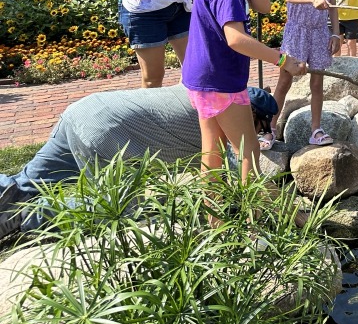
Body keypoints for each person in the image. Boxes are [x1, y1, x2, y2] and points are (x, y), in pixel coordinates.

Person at [0, 85, 279, 242]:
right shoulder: (224, 113)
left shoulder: (206, 89)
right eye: (259, 126)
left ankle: (9, 198)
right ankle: (26, 217)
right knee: (117, 210)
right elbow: (246, 180)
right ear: (250, 112)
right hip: (108, 136)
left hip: (83, 111)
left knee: (27, 184)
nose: (256, 133)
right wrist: (295, 214)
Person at [182, 0, 307, 185]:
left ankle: (213, 220)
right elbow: (236, 39)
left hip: (202, 76)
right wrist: (283, 60)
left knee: (212, 155)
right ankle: (257, 222)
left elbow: (265, 7)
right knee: (248, 153)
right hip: (222, 79)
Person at [269, 0, 341, 149]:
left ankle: (316, 129)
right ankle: (270, 128)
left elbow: (333, 8)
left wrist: (336, 33)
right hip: (297, 32)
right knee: (284, 82)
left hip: (319, 33)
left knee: (317, 82)